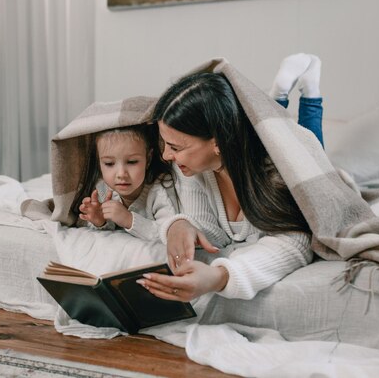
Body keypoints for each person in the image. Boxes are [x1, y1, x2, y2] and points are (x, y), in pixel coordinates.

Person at [136, 54, 323, 302]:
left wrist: (220, 276)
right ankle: (276, 98)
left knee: (311, 141)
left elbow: (296, 240)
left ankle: (307, 89)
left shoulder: (275, 175)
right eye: (165, 143)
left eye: (176, 147)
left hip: (297, 162)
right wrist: (178, 224)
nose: (166, 155)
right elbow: (214, 236)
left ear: (217, 143)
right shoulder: (191, 169)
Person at [73, 123, 178, 242]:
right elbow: (81, 227)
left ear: (148, 159)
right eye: (109, 163)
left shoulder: (160, 188)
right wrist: (99, 222)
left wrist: (128, 219)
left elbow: (171, 233)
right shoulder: (101, 189)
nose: (121, 174)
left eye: (132, 162)